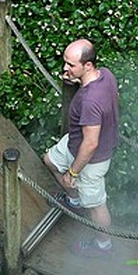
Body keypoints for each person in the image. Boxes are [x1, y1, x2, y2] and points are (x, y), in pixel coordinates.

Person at [42, 39, 120, 257]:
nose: (65, 68)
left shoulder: (89, 102)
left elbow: (91, 143)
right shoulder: (105, 74)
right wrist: (74, 79)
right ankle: (73, 200)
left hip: (91, 160)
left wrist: (73, 172)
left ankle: (104, 246)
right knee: (50, 160)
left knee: (96, 206)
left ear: (87, 65)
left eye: (71, 65)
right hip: (73, 143)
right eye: (65, 62)